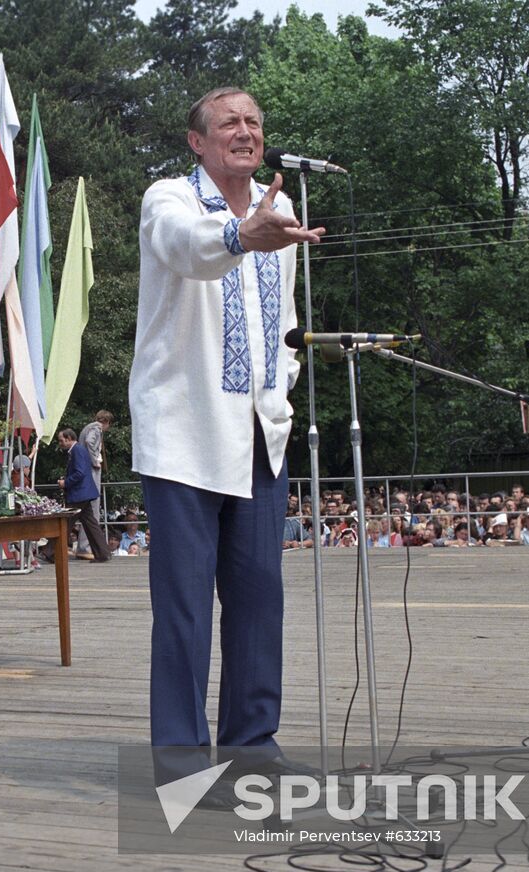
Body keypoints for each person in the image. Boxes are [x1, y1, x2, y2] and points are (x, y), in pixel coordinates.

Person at [131, 87, 325, 792]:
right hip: (185, 433)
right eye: (228, 123)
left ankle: (253, 749)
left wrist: (285, 382)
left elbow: (286, 319)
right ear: (197, 141)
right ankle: (182, 765)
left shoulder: (282, 213)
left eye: (254, 123)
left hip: (260, 435)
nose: (245, 133)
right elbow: (188, 251)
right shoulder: (170, 200)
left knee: (258, 597)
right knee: (184, 607)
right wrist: (242, 234)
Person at [56, 427, 112, 563]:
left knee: (65, 523)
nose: (60, 443)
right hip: (83, 494)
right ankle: (103, 553)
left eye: (61, 440)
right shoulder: (77, 450)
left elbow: (80, 473)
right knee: (90, 524)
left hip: (79, 494)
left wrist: (65, 483)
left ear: (69, 439)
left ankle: (51, 552)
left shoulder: (77, 450)